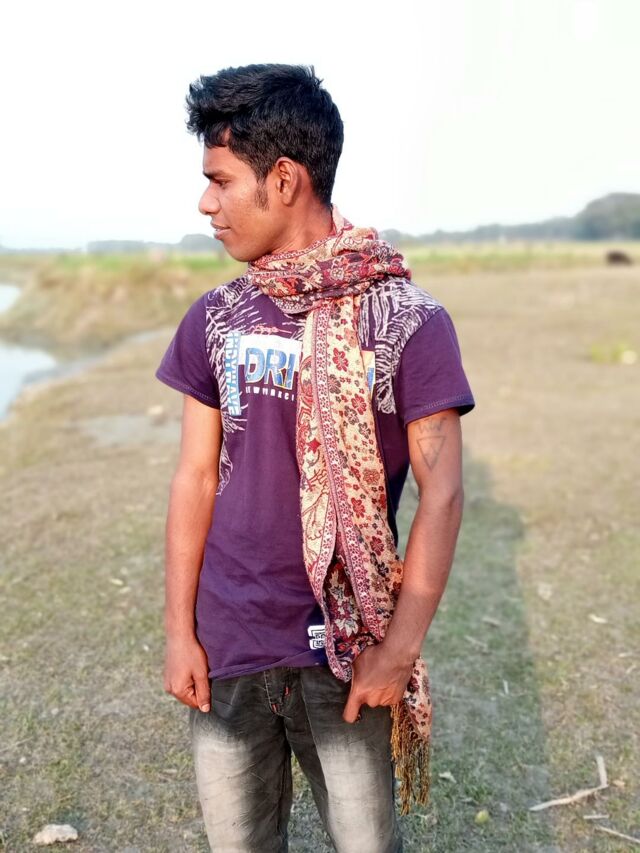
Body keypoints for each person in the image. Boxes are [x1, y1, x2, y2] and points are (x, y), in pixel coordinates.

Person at [155, 63, 475, 853]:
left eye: (220, 181)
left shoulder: (406, 320)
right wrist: (178, 629)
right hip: (229, 642)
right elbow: (196, 476)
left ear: (284, 179)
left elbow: (442, 494)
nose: (205, 204)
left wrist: (398, 651)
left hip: (347, 649)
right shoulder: (217, 316)